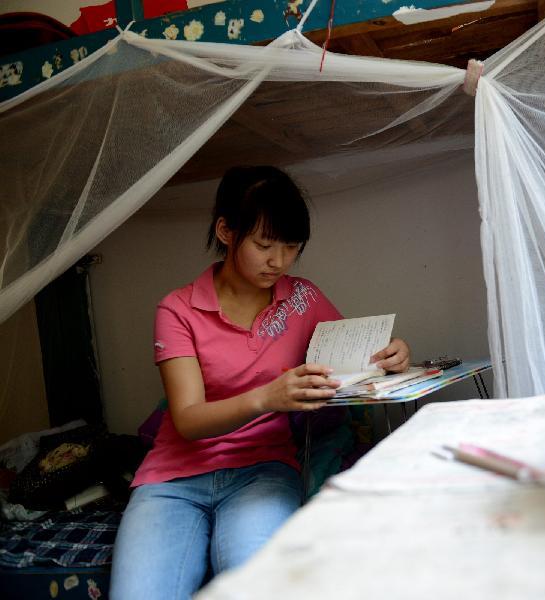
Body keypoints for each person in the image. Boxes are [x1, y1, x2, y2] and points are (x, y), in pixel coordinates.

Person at [110, 166, 410, 599]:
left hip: (263, 472)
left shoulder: (302, 298)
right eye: (264, 245)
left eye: (292, 247)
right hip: (173, 481)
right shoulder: (177, 310)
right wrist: (268, 397)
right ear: (226, 231)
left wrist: (392, 353)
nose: (279, 261)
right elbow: (189, 420)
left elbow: (356, 359)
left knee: (254, 589)